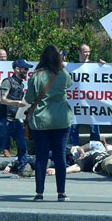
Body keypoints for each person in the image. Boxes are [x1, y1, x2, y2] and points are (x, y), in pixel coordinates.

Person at [25, 44, 73, 200]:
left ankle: (39, 193)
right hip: (61, 120)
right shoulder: (63, 74)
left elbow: (29, 99)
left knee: (41, 157)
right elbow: (69, 84)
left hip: (41, 121)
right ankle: (61, 193)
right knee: (60, 157)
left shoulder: (36, 76)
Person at [0, 58, 31, 176]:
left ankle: (22, 169)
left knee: (22, 144)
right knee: (0, 146)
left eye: (27, 69)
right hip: (4, 120)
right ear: (17, 69)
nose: (27, 71)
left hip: (15, 120)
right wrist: (16, 102)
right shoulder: (7, 82)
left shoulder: (21, 84)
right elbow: (3, 99)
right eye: (25, 68)